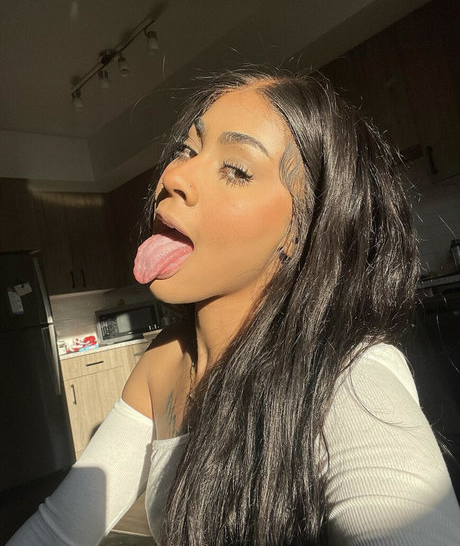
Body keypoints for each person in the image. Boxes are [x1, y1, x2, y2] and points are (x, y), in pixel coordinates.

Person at [8, 69, 460, 545]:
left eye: (237, 170)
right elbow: (57, 531)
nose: (173, 176)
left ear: (301, 232)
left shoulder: (342, 376)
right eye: (188, 149)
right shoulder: (162, 363)